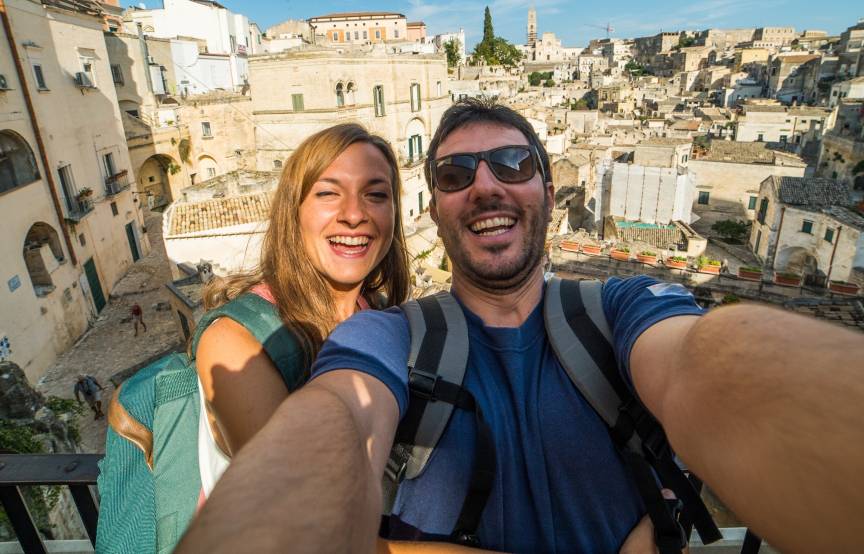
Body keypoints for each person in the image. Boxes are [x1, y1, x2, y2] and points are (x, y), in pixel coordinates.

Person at [177, 100, 864, 554]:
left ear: (547, 190)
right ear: (437, 210)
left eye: (511, 163)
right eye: (455, 173)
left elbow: (706, 362)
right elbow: (334, 424)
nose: (486, 186)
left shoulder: (617, 311)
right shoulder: (383, 337)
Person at [193, 123, 410, 498]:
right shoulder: (235, 342)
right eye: (328, 193)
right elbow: (307, 517)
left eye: (376, 194)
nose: (354, 214)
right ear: (293, 212)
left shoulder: (372, 311)